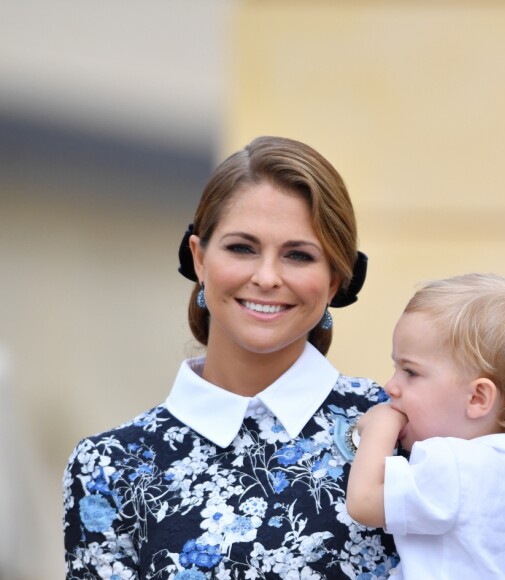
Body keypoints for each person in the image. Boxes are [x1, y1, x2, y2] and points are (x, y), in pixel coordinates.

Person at [63, 135, 402, 579]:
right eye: (242, 248)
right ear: (199, 258)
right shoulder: (108, 467)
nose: (266, 277)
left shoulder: (400, 432)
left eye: (298, 255)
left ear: (336, 279)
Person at [346, 272, 505, 579]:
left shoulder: (451, 462)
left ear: (478, 398)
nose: (391, 386)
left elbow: (363, 503)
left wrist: (380, 425)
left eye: (410, 372)